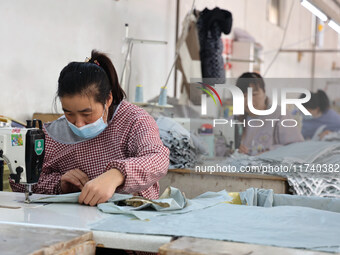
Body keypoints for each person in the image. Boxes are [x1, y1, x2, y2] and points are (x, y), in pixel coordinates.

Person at [11, 50, 170, 206]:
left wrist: (116, 175)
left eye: (86, 113)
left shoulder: (134, 120)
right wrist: (59, 185)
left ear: (107, 99)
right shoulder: (54, 134)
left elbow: (157, 158)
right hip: (75, 218)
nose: (78, 123)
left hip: (132, 216)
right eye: (69, 113)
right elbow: (20, 181)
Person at [236, 72, 304, 155]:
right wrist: (233, 150)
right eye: (244, 96)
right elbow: (219, 149)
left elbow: (297, 147)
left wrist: (269, 152)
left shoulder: (280, 114)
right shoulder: (234, 120)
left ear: (264, 93)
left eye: (254, 94)